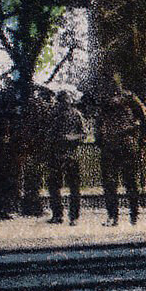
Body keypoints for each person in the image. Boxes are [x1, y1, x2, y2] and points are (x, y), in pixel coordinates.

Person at [94, 82, 146, 227]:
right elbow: (145, 119)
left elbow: (98, 124)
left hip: (113, 144)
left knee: (111, 183)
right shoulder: (130, 98)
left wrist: (100, 141)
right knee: (130, 181)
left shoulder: (105, 100)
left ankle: (114, 216)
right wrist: (140, 140)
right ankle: (133, 215)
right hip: (127, 143)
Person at [40, 90, 87, 225]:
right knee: (54, 186)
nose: (64, 103)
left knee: (73, 187)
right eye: (61, 101)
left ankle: (73, 217)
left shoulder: (76, 115)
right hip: (56, 154)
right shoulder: (53, 115)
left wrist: (70, 138)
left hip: (71, 154)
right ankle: (58, 215)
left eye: (65, 100)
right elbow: (46, 134)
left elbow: (83, 134)